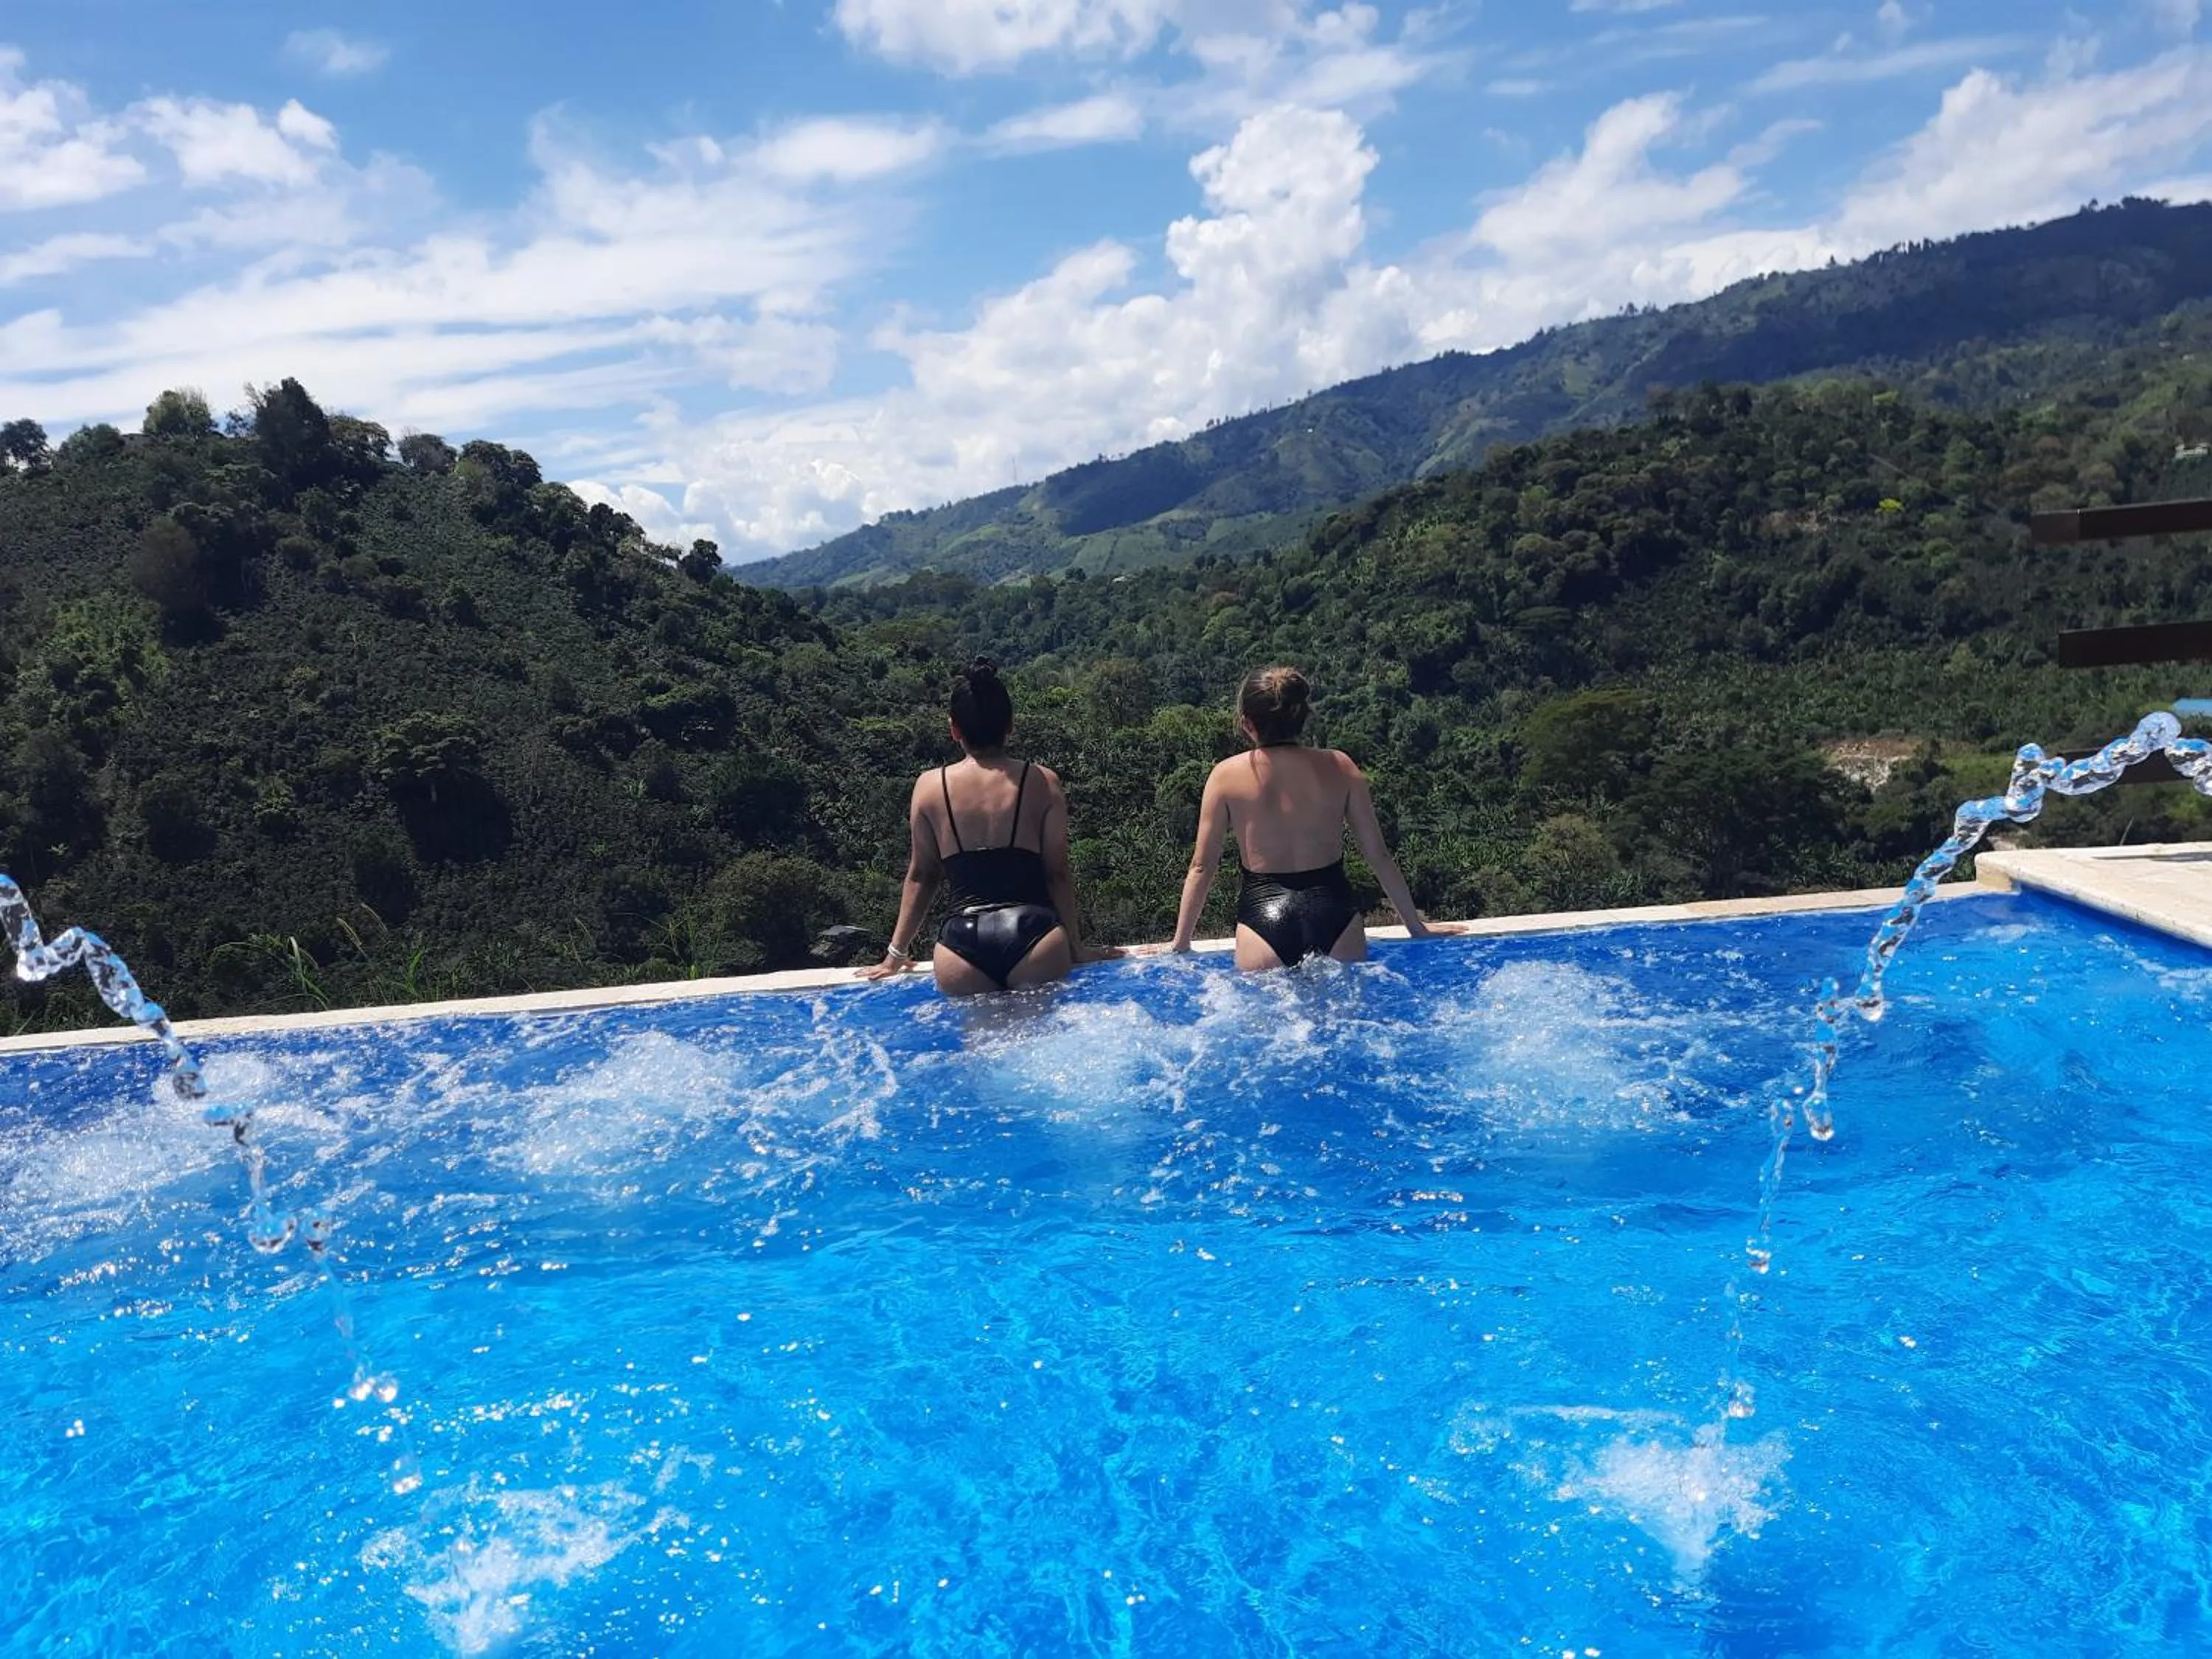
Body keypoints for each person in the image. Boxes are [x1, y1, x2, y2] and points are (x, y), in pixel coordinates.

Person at [1168, 665, 1454, 969]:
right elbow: (1378, 855)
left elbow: (1202, 867)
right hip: (1336, 915)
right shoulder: (1341, 766)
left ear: (1247, 723)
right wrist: (1416, 927)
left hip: (1263, 919)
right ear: (1302, 716)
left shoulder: (1225, 776)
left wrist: (1181, 943)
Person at [860, 658, 1114, 996]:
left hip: (961, 945)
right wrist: (1077, 947)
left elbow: (922, 875)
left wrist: (895, 955)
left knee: (980, 1046)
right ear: (1010, 725)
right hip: (1035, 937)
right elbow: (1057, 873)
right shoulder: (1041, 781)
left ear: (954, 729)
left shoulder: (930, 787)